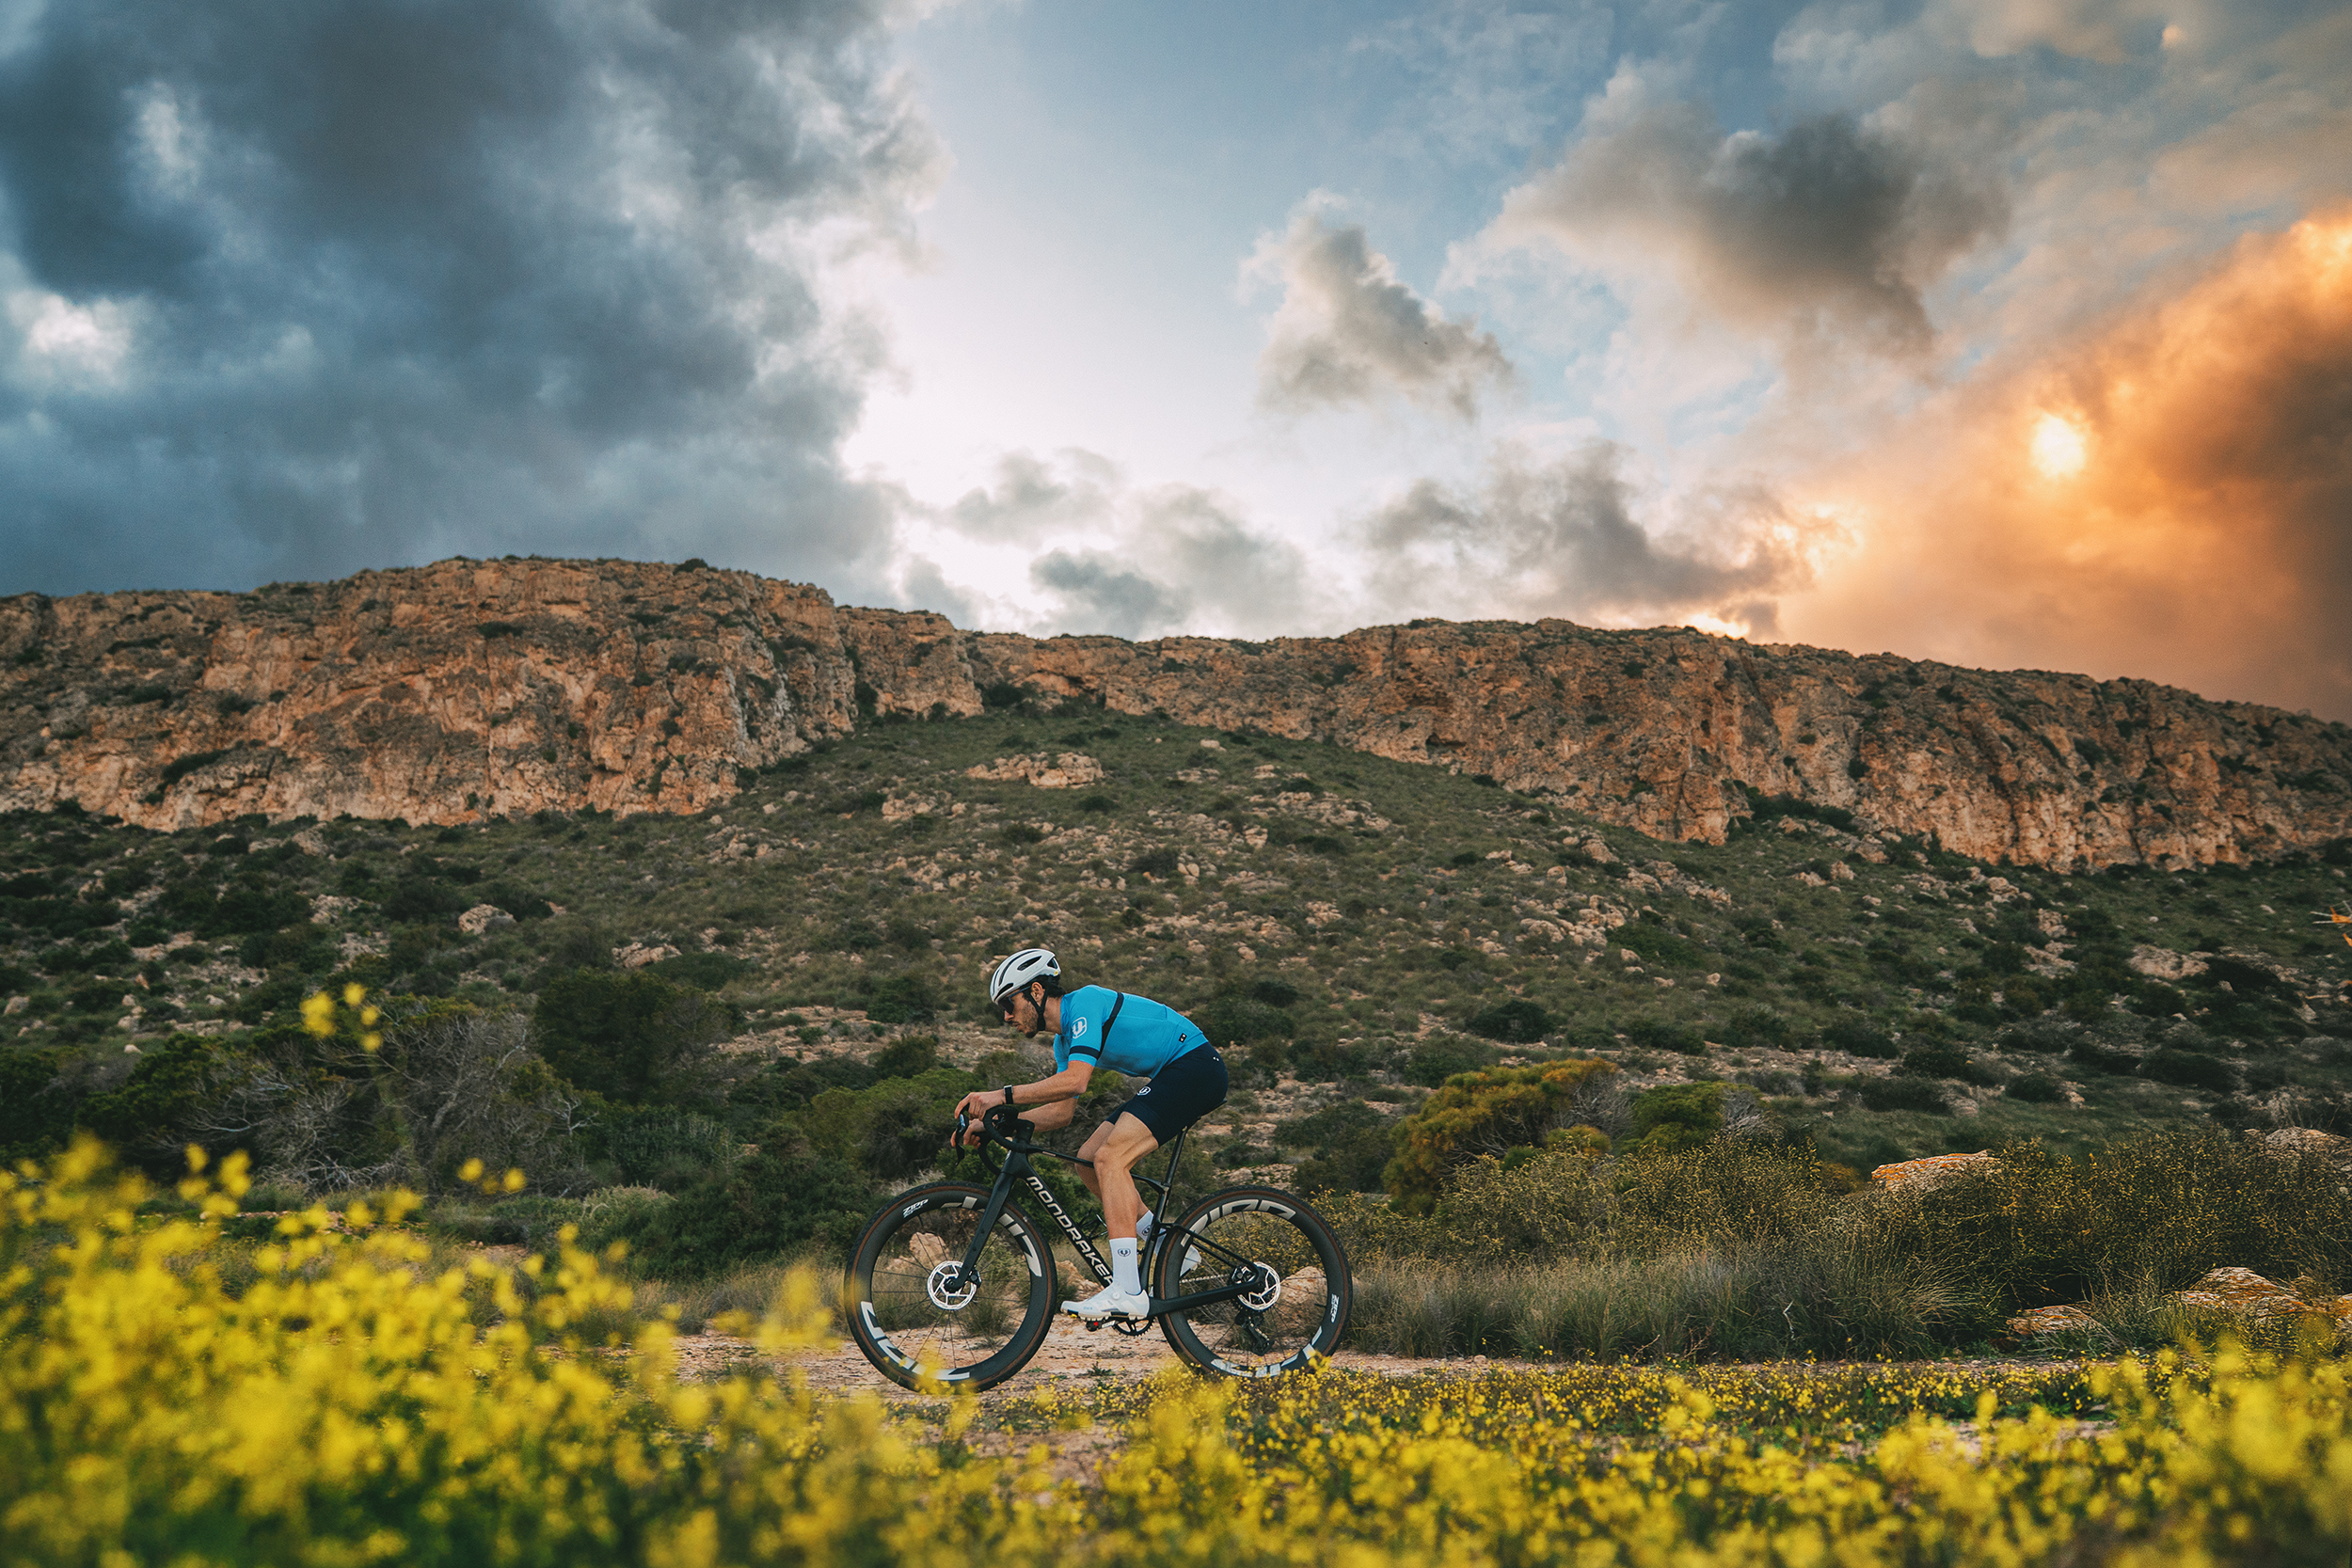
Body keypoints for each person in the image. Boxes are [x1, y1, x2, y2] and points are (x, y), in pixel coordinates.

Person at [953, 947, 1227, 1322]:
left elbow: (1076, 1080)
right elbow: (1061, 1112)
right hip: (1174, 1073)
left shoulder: (1086, 1003)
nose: (1006, 1016)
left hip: (1195, 1066)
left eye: (1008, 1003)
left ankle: (1127, 1290)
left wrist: (1000, 1096)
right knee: (1087, 1160)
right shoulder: (1063, 1042)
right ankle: (1171, 1246)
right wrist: (996, 1123)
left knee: (1110, 1158)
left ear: (1036, 991)